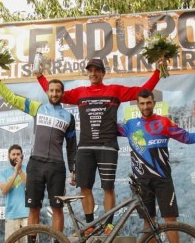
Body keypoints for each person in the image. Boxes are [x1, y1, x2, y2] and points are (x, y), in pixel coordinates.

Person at [36, 56, 164, 233]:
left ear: (103, 73)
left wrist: (158, 71)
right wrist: (39, 77)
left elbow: (142, 91)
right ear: (88, 73)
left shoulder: (115, 90)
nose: (94, 73)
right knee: (85, 188)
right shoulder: (80, 92)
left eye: (97, 70)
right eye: (91, 70)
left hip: (107, 147)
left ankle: (108, 225)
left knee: (108, 187)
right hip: (86, 148)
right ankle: (90, 225)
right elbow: (55, 92)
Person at [118, 89, 195, 243]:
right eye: (142, 103)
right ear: (138, 105)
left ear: (153, 103)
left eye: (148, 103)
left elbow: (187, 138)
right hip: (142, 180)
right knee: (148, 219)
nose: (145, 106)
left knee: (170, 218)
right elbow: (105, 128)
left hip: (163, 178)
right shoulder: (130, 124)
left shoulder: (163, 122)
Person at [0, 67, 75, 241]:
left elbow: (72, 145)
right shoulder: (37, 108)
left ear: (62, 93)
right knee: (34, 208)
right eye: (51, 90)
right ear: (47, 92)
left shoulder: (69, 117)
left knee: (57, 208)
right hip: (36, 163)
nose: (54, 93)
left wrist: (73, 169)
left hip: (56, 166)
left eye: (57, 91)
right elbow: (12, 98)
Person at [0, 144, 30, 243]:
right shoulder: (4, 172)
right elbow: (4, 190)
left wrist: (20, 170)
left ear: (22, 156)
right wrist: (15, 173)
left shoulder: (29, 169)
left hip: (28, 214)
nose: (16, 157)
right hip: (11, 215)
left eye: (18, 154)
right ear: (8, 157)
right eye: (13, 154)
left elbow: (30, 187)